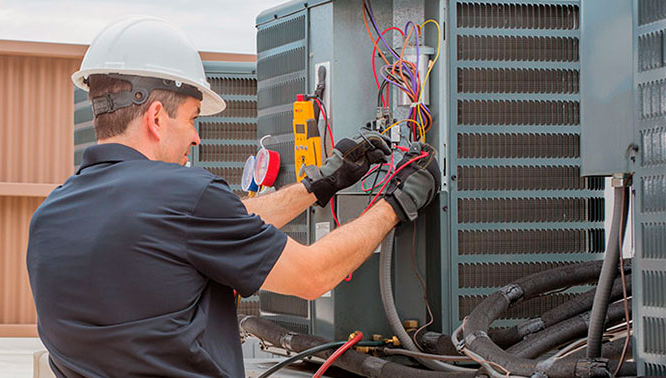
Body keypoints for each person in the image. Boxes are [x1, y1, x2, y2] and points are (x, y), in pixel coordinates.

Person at [27, 16, 440, 378]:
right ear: (155, 117)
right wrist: (396, 203)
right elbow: (313, 275)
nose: (196, 135)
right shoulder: (184, 195)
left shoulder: (51, 214)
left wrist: (319, 185)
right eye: (190, 119)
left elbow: (224, 220)